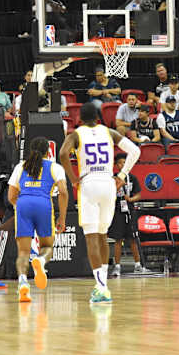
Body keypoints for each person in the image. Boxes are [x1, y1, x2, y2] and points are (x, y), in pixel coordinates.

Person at [59, 102, 141, 303]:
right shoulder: (109, 132)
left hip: (89, 183)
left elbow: (62, 154)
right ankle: (103, 283)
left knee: (91, 237)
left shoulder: (76, 135)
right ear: (98, 117)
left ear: (79, 119)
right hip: (108, 183)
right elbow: (135, 151)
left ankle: (101, 286)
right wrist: (121, 175)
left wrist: (73, 179)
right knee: (103, 236)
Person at [8, 137, 68, 302]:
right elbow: (63, 192)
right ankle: (40, 261)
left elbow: (11, 195)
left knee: (23, 252)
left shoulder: (20, 167)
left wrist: (20, 207)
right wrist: (62, 217)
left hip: (23, 204)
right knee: (47, 246)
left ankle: (22, 283)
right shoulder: (55, 167)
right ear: (48, 151)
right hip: (43, 205)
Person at [108, 153, 145, 277]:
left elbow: (139, 194)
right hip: (117, 211)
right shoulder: (112, 178)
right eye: (120, 163)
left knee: (133, 239)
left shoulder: (132, 178)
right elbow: (109, 195)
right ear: (116, 165)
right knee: (118, 240)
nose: (122, 165)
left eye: (124, 162)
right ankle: (117, 266)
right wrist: (118, 185)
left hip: (130, 210)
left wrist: (131, 199)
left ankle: (138, 265)